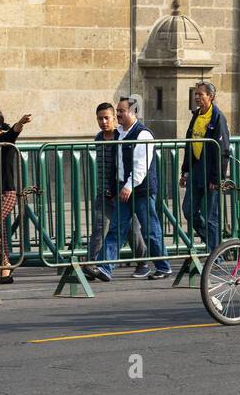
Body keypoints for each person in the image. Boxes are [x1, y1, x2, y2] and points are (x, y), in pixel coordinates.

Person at [99, 96, 171, 281]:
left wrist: (129, 186)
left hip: (141, 191)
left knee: (150, 230)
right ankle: (104, 268)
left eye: (121, 111)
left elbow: (141, 165)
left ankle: (163, 266)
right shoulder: (120, 133)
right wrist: (115, 186)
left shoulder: (143, 134)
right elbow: (118, 164)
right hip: (124, 190)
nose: (118, 114)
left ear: (133, 112)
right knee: (116, 228)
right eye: (118, 111)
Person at [84, 102, 146, 282]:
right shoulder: (98, 138)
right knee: (99, 226)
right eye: (99, 119)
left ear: (114, 118)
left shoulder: (121, 137)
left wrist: (124, 186)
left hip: (120, 190)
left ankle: (142, 260)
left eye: (106, 118)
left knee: (131, 229)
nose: (103, 122)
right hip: (103, 191)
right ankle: (92, 264)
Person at [0, 108, 32, 284]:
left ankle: (6, 264)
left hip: (5, 193)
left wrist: (21, 122)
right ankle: (5, 271)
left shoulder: (5, 139)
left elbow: (14, 132)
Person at [180, 81, 230, 251]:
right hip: (195, 170)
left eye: (200, 94)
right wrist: (185, 171)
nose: (197, 97)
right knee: (188, 210)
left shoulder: (217, 118)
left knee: (211, 216)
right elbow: (190, 144)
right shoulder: (196, 115)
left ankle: (216, 254)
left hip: (210, 173)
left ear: (211, 96)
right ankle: (212, 243)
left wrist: (217, 178)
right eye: (196, 94)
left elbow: (223, 150)